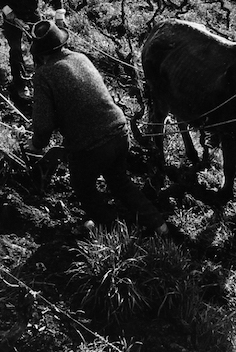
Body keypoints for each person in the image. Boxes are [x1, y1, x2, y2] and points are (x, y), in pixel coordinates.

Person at [24, 20, 169, 237]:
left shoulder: (44, 75)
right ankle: (160, 226)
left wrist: (34, 147)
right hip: (119, 131)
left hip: (91, 144)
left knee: (83, 187)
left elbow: (43, 126)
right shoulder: (80, 58)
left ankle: (111, 228)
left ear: (39, 52)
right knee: (120, 182)